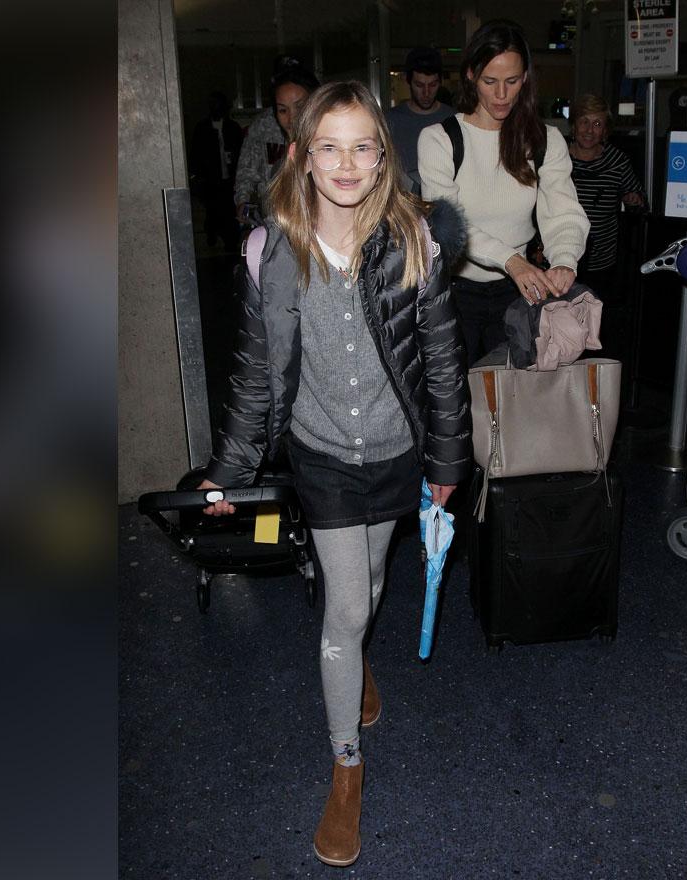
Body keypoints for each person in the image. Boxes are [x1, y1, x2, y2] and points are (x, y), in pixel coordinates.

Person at [197, 80, 470, 868]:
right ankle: (346, 762)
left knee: (374, 587)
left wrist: (450, 460)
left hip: (394, 453)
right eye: (329, 146)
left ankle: (357, 661)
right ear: (302, 154)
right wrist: (227, 471)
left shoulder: (415, 238)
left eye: (362, 146)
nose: (346, 163)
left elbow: (445, 364)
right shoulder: (268, 252)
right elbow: (256, 379)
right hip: (319, 455)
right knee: (346, 605)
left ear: (382, 157)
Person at [418, 18, 589, 365]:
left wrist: (564, 261)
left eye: (511, 82)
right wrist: (511, 260)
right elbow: (449, 223)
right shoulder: (439, 139)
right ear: (470, 75)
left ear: (525, 78)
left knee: (514, 405)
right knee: (455, 407)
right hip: (454, 294)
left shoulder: (545, 140)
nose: (501, 95)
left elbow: (564, 211)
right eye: (490, 81)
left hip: (518, 294)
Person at [568, 93, 643, 356]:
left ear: (606, 130)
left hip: (601, 262)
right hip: (560, 257)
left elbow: (639, 201)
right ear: (574, 124)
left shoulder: (617, 161)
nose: (589, 130)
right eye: (584, 122)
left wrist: (634, 200)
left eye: (597, 124)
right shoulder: (557, 158)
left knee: (594, 330)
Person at [233, 57, 320, 222]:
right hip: (274, 222)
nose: (292, 118)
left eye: (299, 107)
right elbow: (247, 171)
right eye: (282, 110)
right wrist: (243, 203)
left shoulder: (331, 138)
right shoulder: (263, 126)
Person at [384, 47, 454, 195]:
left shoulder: (453, 119)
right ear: (408, 81)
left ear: (440, 82)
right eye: (419, 85)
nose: (426, 93)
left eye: (433, 85)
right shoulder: (390, 120)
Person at [187, 90, 245, 251]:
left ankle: (230, 242)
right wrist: (197, 177)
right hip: (211, 180)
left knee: (228, 212)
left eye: (219, 106)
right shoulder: (202, 128)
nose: (216, 109)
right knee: (213, 211)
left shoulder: (232, 128)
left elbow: (241, 152)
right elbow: (196, 155)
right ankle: (212, 232)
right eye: (213, 106)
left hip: (229, 180)